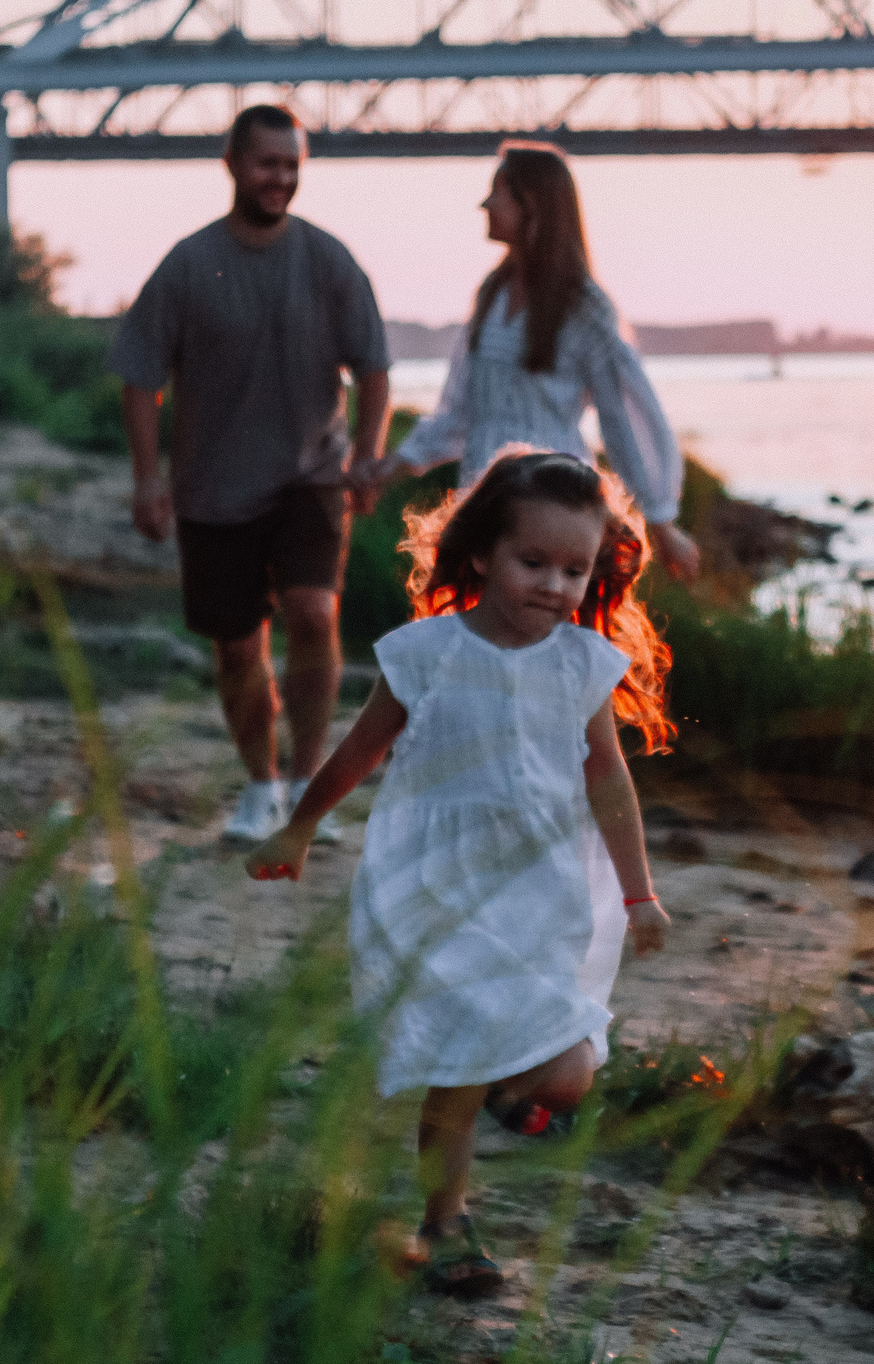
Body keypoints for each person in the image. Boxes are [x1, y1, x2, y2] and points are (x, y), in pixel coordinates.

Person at [243, 451, 675, 1296]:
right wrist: (299, 826)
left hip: (541, 885)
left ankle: (503, 1100)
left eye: (575, 568)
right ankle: (446, 1221)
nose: (555, 584)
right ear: (481, 553)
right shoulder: (428, 652)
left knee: (568, 1072)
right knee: (458, 1065)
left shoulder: (581, 662)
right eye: (534, 561)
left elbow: (608, 779)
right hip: (435, 883)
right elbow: (361, 750)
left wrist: (641, 892)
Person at [109, 103, 391, 843]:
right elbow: (141, 377)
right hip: (213, 488)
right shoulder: (188, 264)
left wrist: (365, 454)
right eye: (268, 163)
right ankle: (260, 784)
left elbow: (374, 366)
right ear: (233, 165)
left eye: (293, 165)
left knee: (313, 612)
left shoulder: (329, 260)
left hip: (312, 476)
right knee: (237, 644)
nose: (282, 178)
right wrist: (147, 479)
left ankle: (307, 783)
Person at [368, 142, 701, 579]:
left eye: (498, 192)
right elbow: (461, 413)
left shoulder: (584, 308)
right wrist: (385, 471)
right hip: (487, 496)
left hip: (557, 498)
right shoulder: (492, 295)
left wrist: (661, 522)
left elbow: (625, 416)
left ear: (533, 207)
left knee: (548, 627)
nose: (484, 204)